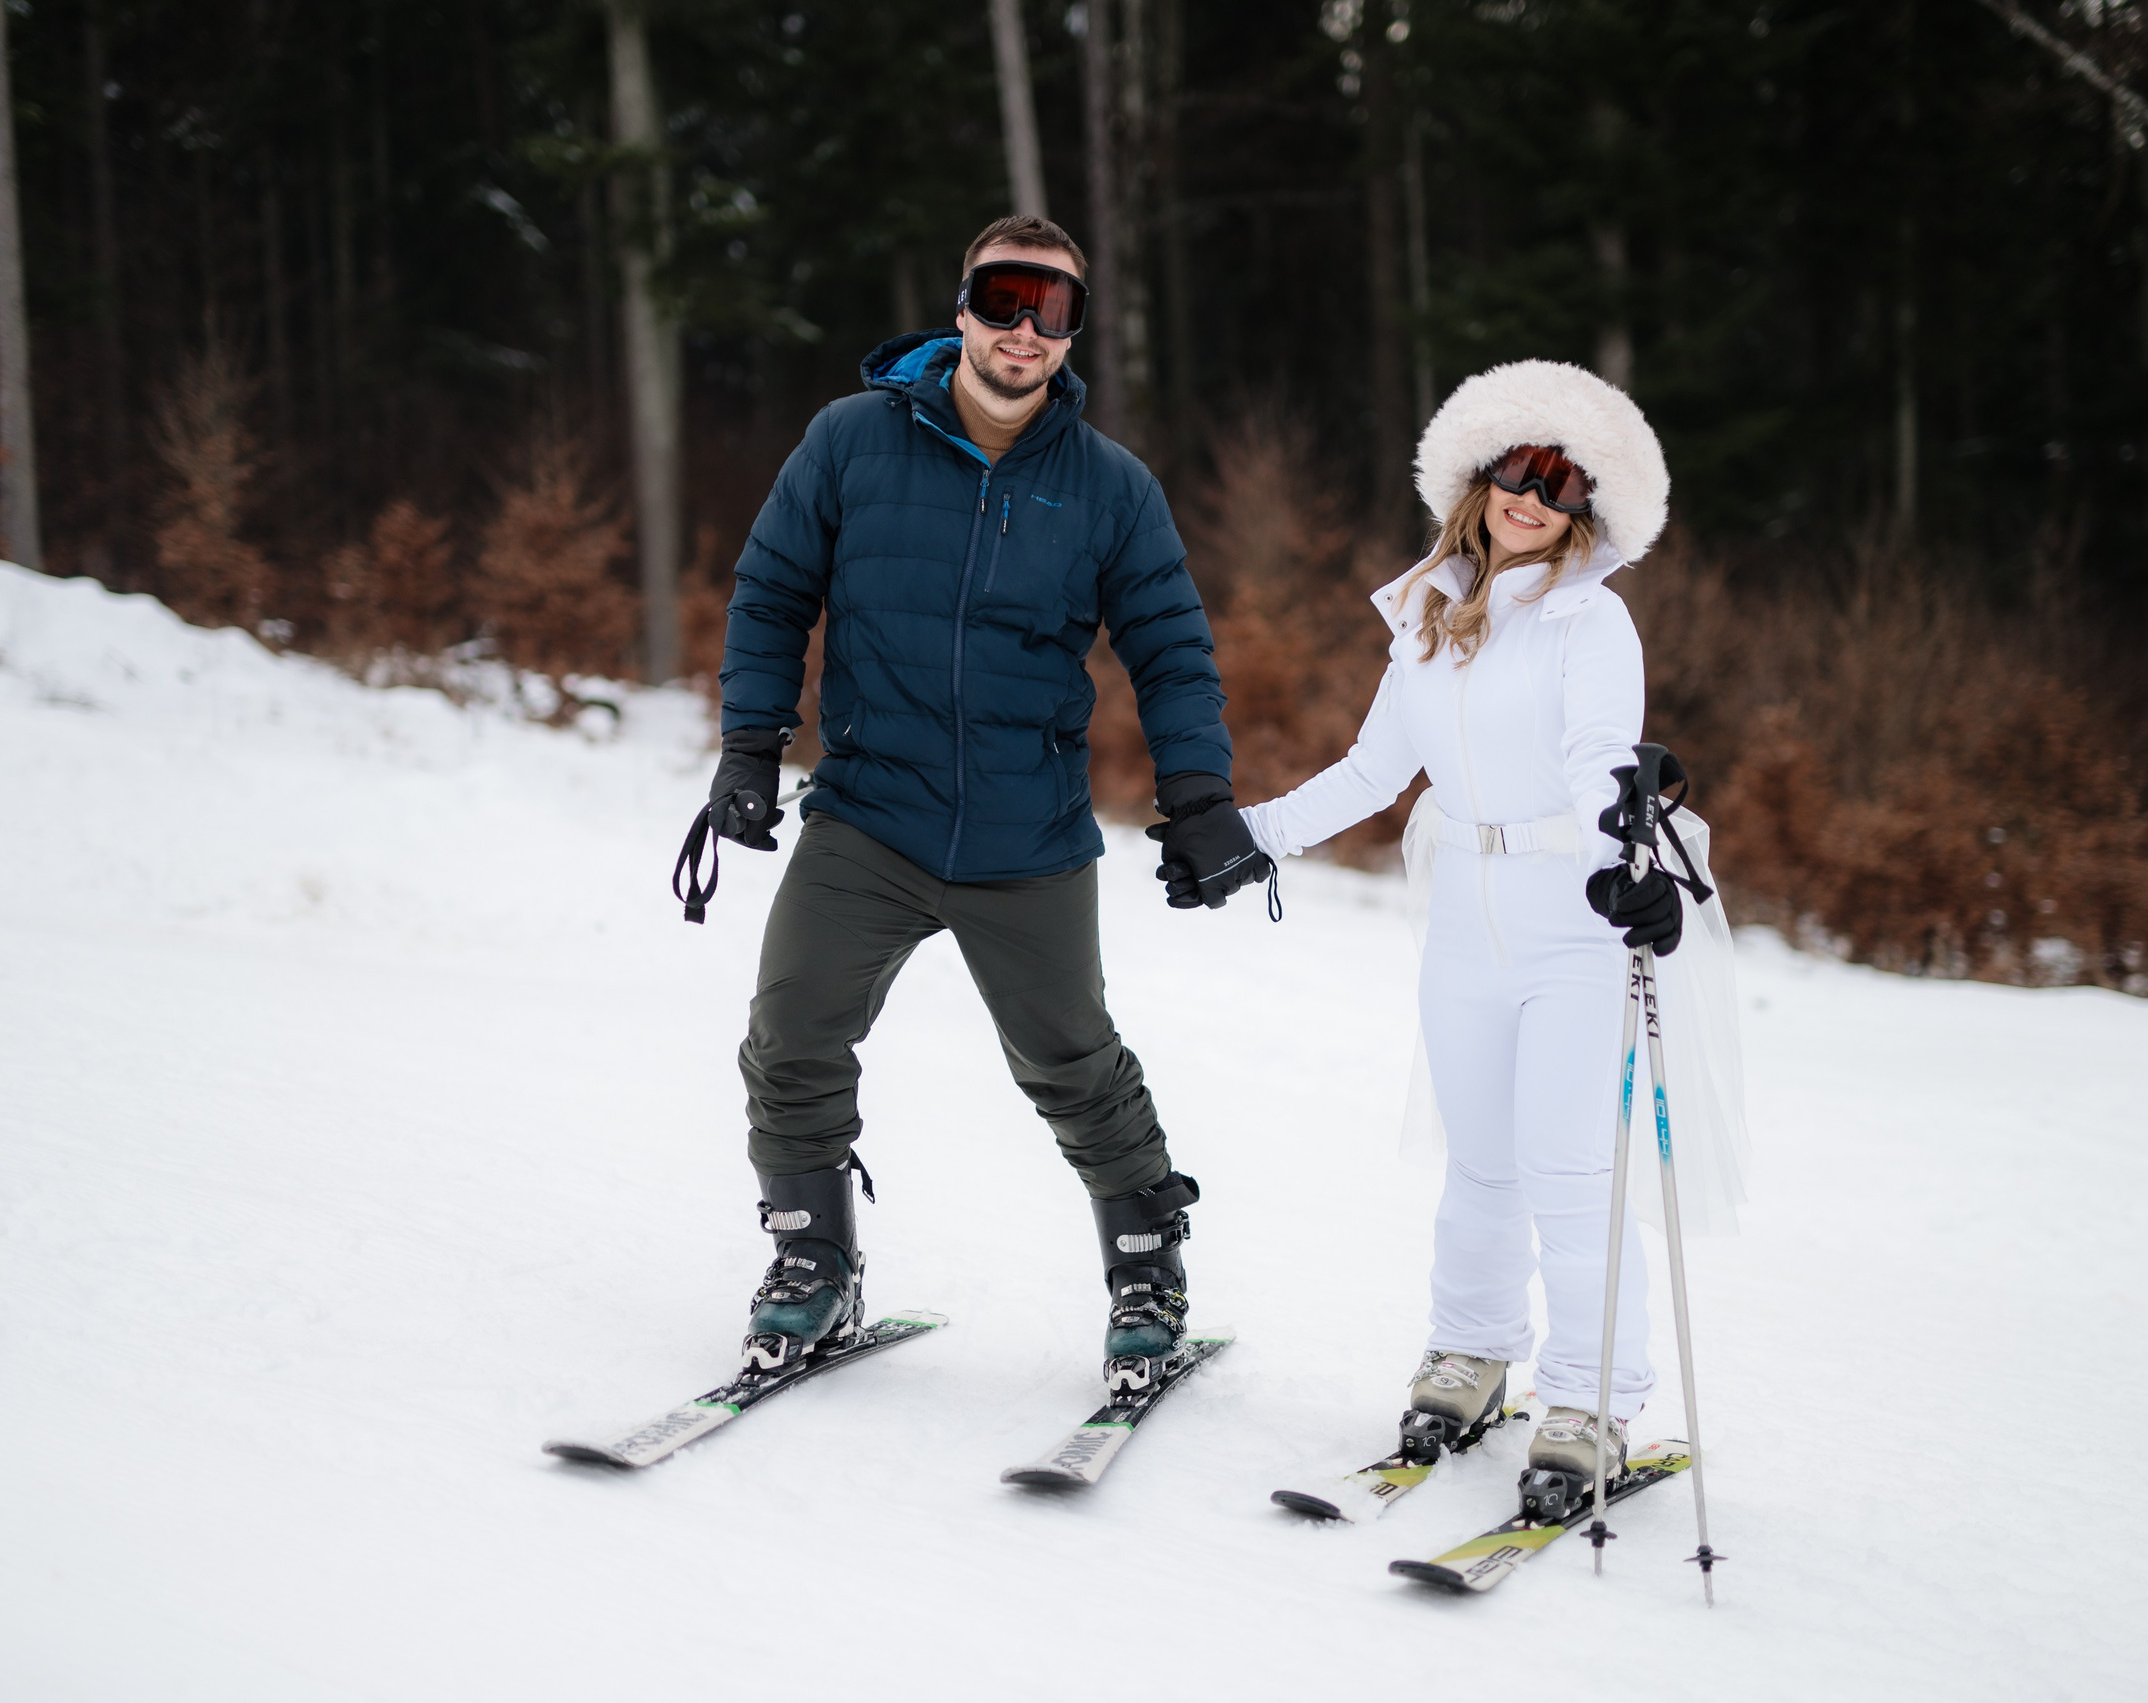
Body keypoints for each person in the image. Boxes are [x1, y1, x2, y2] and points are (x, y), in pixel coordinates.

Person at [700, 213, 1273, 1391]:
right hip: (870, 812)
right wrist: (749, 747)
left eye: (1052, 308)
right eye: (1004, 298)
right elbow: (770, 594)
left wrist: (1201, 796)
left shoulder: (1109, 486)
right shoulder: (851, 441)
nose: (1025, 328)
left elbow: (1170, 649)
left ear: (1071, 334)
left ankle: (1146, 1267)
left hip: (1027, 831)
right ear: (959, 307)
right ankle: (813, 1262)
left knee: (1072, 1062)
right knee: (793, 1035)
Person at [1237, 360, 1678, 1496]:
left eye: (1559, 482)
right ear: (1476, 478)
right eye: (1512, 471)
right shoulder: (1429, 611)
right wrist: (1255, 835)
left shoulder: (1593, 621)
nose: (1528, 497)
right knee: (1479, 1166)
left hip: (1571, 919)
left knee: (1571, 1168)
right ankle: (1474, 1354)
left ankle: (1589, 1398)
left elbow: (1596, 761)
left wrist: (1625, 842)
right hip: (1461, 922)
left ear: (1587, 505)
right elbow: (1378, 765)